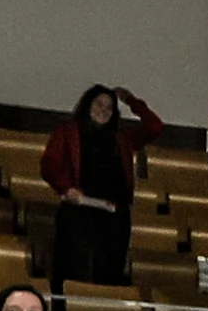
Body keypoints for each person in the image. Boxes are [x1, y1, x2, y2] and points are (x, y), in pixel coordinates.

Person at [41, 84, 159, 288]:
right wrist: (66, 187)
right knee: (75, 271)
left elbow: (155, 127)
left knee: (109, 274)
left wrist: (132, 101)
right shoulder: (68, 131)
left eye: (109, 107)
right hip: (79, 212)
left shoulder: (122, 138)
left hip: (114, 216)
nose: (103, 110)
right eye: (99, 104)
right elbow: (50, 164)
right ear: (88, 105)